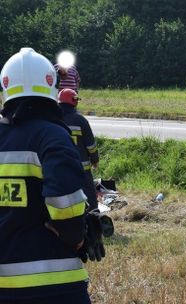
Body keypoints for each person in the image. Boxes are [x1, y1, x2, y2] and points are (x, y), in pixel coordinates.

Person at [0, 48, 100, 304]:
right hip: (55, 285)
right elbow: (65, 207)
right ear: (50, 87)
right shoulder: (52, 135)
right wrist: (78, 236)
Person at [58, 88, 99, 211]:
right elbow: (90, 145)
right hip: (82, 167)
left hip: (60, 166)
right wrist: (95, 159)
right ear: (74, 102)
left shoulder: (53, 120)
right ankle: (93, 216)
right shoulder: (80, 120)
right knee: (89, 192)